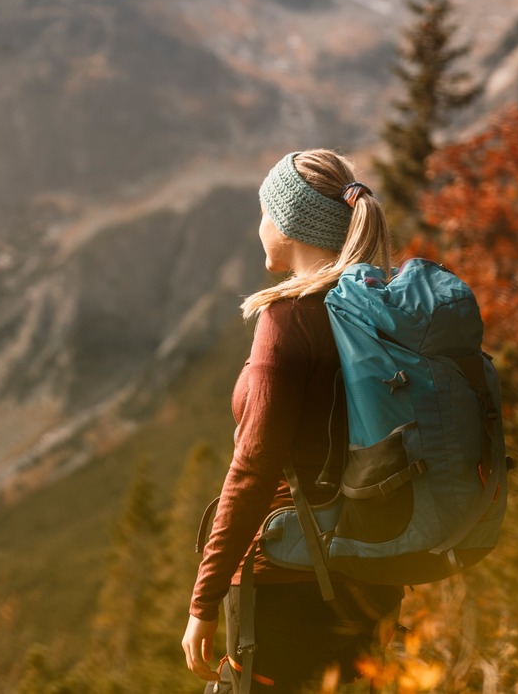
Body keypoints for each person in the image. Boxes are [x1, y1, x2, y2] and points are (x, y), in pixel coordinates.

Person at [181, 149, 404, 692]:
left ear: (289, 221)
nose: (259, 226)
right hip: (376, 568)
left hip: (289, 580)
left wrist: (203, 599)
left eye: (264, 212)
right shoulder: (382, 308)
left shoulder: (288, 321)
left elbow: (254, 469)